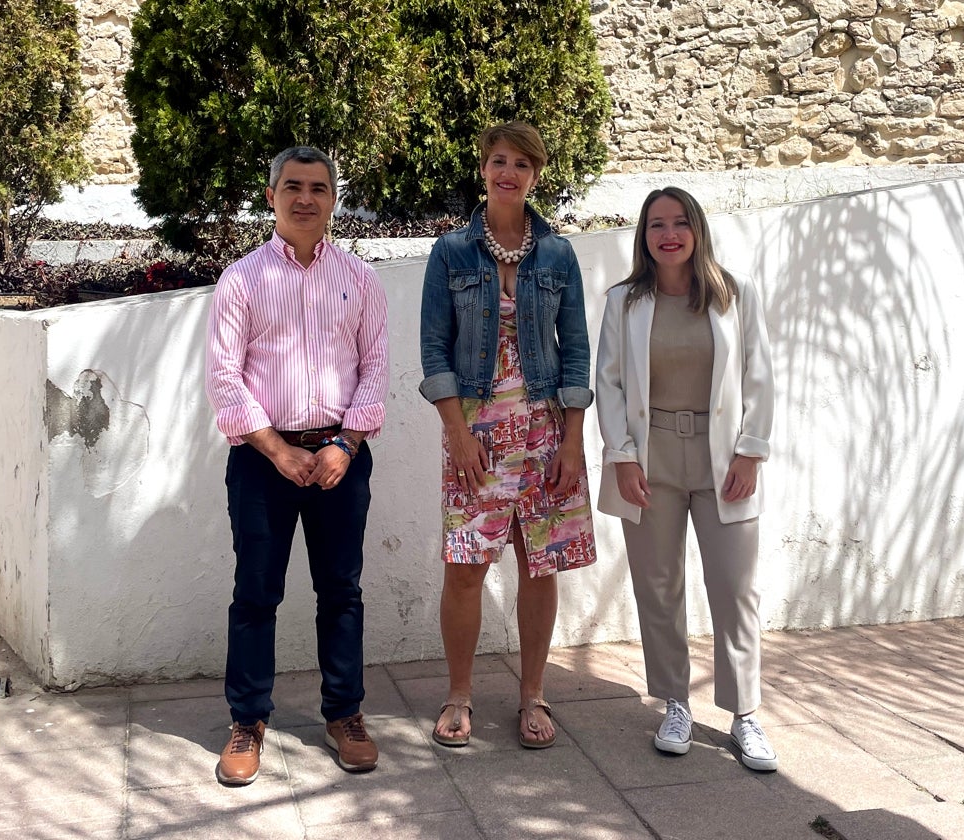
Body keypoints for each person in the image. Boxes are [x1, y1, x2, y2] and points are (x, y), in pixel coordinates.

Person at [205, 146, 389, 782]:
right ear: (271, 196)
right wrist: (278, 449)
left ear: (333, 199)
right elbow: (224, 379)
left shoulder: (361, 279)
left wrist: (344, 445)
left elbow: (375, 371)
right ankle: (247, 720)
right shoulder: (242, 280)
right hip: (262, 460)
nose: (305, 198)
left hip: (343, 457)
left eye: (317, 187)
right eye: (292, 186)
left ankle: (344, 714)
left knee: (341, 591)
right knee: (256, 593)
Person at [419, 121, 597, 750]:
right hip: (476, 433)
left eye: (521, 164)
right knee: (465, 566)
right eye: (498, 161)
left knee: (540, 564)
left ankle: (533, 696)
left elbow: (575, 353)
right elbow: (434, 354)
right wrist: (458, 433)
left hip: (547, 428)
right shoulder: (450, 252)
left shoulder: (558, 255)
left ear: (536, 175)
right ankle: (459, 695)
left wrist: (573, 441)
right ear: (483, 169)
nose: (508, 173)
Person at [594, 187, 778, 771]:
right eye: (655, 225)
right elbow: (611, 384)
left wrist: (751, 451)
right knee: (660, 586)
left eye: (678, 223)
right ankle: (676, 703)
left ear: (697, 230)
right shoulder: (624, 301)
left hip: (722, 461)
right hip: (651, 461)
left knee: (735, 588)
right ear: (643, 236)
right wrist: (621, 456)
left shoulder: (734, 293)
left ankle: (745, 714)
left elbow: (759, 377)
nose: (668, 234)